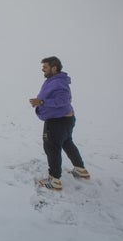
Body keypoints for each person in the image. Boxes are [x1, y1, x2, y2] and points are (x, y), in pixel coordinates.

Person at [29, 56, 89, 190]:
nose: (42, 70)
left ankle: (54, 180)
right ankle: (80, 169)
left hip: (58, 120)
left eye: (45, 67)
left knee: (52, 146)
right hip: (65, 120)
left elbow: (63, 100)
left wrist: (42, 102)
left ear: (54, 68)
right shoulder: (55, 80)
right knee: (67, 142)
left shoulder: (59, 83)